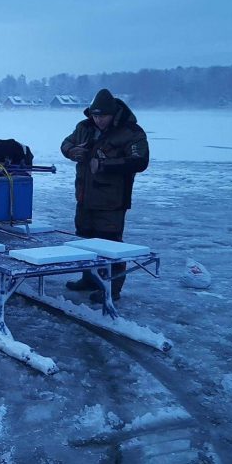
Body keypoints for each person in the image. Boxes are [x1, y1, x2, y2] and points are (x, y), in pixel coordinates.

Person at [60, 88, 149, 303]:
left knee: (110, 244)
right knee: (85, 239)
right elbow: (66, 143)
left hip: (112, 200)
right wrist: (73, 151)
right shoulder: (84, 127)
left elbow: (140, 161)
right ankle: (89, 279)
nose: (98, 120)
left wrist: (105, 165)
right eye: (95, 115)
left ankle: (112, 288)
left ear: (113, 113)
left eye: (103, 116)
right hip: (84, 196)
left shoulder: (131, 132)